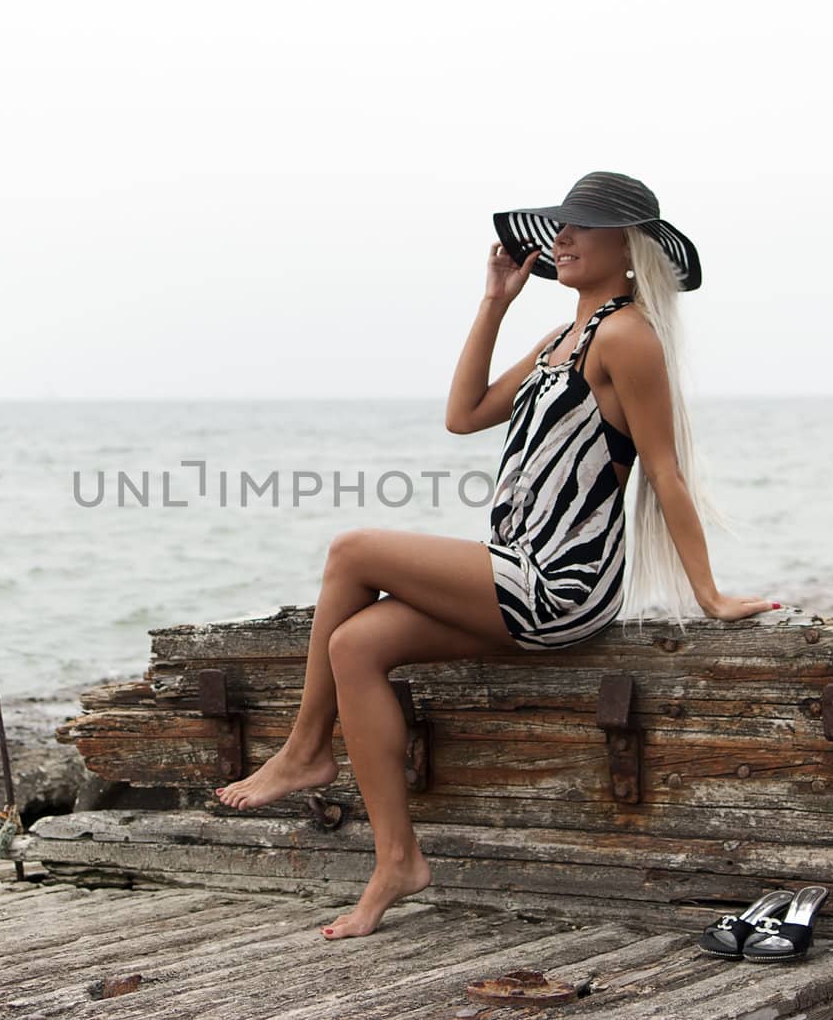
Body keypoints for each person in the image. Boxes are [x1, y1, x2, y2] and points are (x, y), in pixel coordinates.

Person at [214, 171, 777, 940]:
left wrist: (708, 594)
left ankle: (307, 749)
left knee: (351, 551)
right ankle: (398, 860)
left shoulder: (626, 335)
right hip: (515, 566)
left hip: (560, 583)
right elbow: (464, 414)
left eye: (582, 227)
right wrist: (496, 300)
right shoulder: (560, 340)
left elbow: (666, 471)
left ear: (628, 246)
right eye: (560, 226)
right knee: (355, 644)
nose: (563, 239)